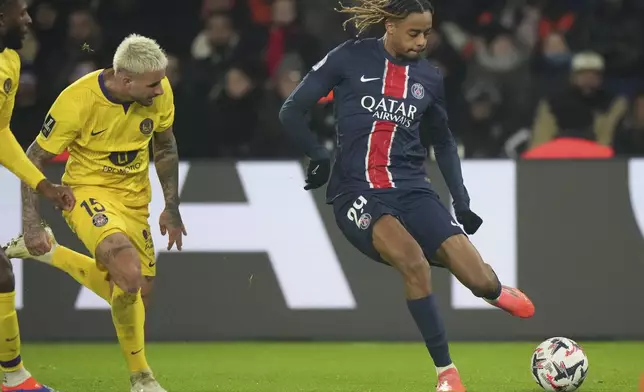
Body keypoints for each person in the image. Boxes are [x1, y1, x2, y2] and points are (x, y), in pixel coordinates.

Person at [278, 1, 535, 391]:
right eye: (413, 32)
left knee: (478, 280)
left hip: (413, 189)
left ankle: (496, 290)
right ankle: (446, 375)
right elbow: (291, 109)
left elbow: (444, 142)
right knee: (413, 261)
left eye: (427, 33)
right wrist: (318, 154)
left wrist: (461, 200)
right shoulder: (349, 57)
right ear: (390, 26)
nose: (421, 41)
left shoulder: (429, 78)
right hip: (356, 191)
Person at [4, 34, 186, 392]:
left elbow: (164, 146)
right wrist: (31, 224)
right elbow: (34, 157)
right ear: (125, 80)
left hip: (135, 198)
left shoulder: (157, 90)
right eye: (152, 85)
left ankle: (55, 254)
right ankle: (142, 378)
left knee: (135, 292)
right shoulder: (77, 101)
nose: (160, 91)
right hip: (88, 192)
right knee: (127, 271)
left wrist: (172, 206)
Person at [0, 1, 75, 390]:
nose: (28, 19)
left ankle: (13, 377)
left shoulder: (10, 61)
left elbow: (0, 135)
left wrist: (43, 185)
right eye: (21, 12)